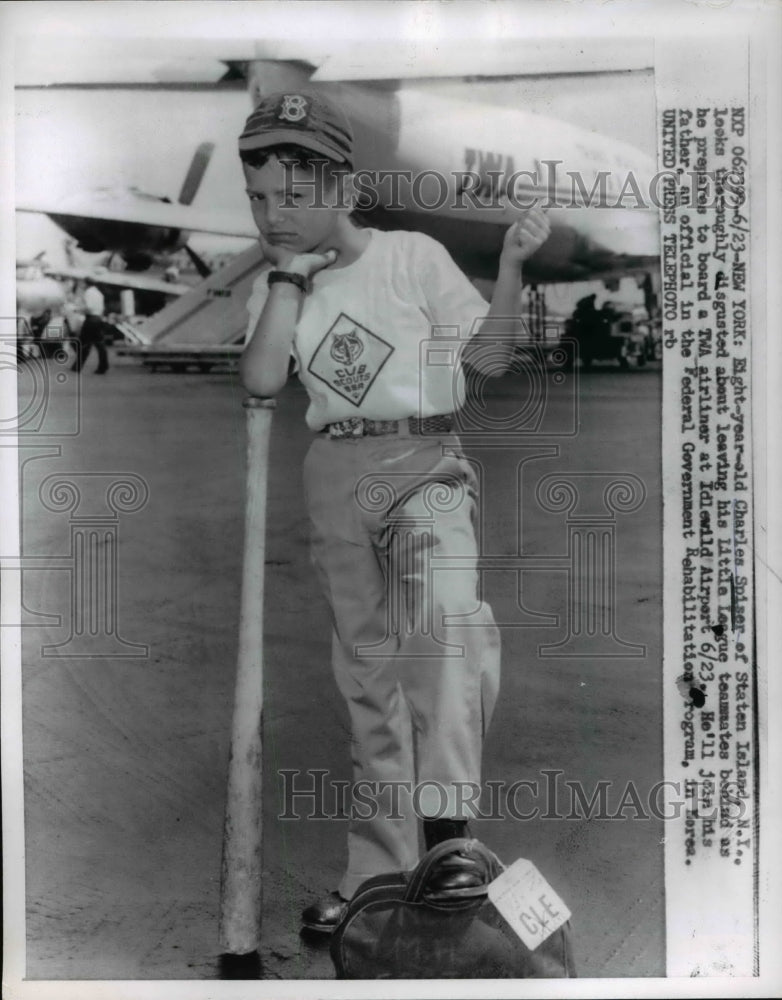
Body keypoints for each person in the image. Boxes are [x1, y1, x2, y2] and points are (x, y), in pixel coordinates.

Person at [238, 91, 551, 933]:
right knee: (369, 678)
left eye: (295, 196)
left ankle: (448, 844)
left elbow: (486, 356)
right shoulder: (281, 284)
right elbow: (264, 379)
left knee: (443, 635)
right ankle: (380, 875)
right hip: (334, 471)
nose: (276, 214)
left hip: (423, 461)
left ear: (343, 190)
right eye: (260, 198)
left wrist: (513, 267)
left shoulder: (410, 256)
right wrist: (286, 279)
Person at [71, 280, 109, 374]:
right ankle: (103, 366)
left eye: (82, 283)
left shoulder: (88, 292)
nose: (81, 285)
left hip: (91, 319)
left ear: (85, 283)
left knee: (83, 343)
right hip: (98, 318)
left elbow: (89, 307)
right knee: (99, 344)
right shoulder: (99, 293)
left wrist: (77, 310)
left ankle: (78, 366)